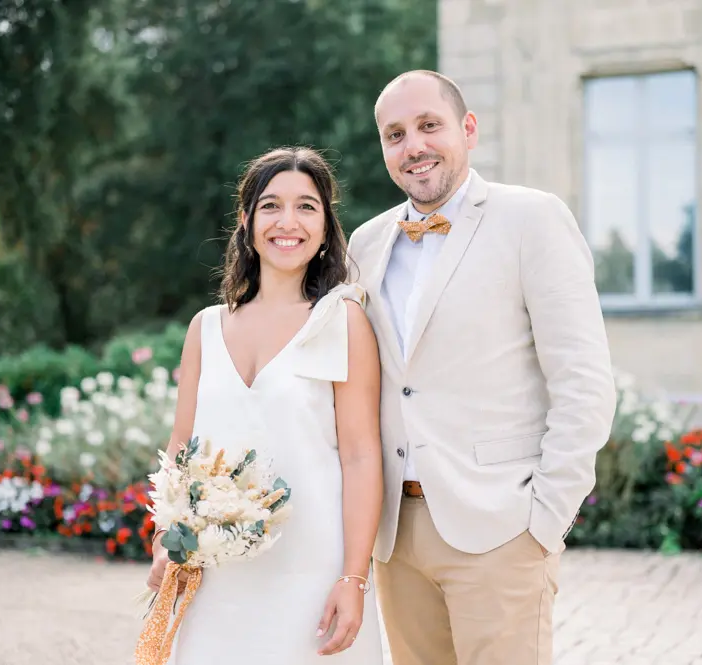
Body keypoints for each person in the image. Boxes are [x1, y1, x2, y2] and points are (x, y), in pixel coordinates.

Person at [346, 70, 618, 665]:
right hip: (396, 536)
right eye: (395, 134)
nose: (413, 145)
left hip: (501, 527)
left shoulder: (533, 219)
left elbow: (585, 382)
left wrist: (544, 520)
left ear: (467, 129)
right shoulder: (365, 245)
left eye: (428, 126)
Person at [144, 147, 385, 664]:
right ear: (246, 220)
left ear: (325, 225)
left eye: (306, 207)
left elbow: (362, 457)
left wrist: (354, 578)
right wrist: (169, 540)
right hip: (215, 582)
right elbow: (180, 448)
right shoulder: (204, 328)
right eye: (271, 205)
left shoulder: (343, 321)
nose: (288, 222)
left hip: (312, 579)